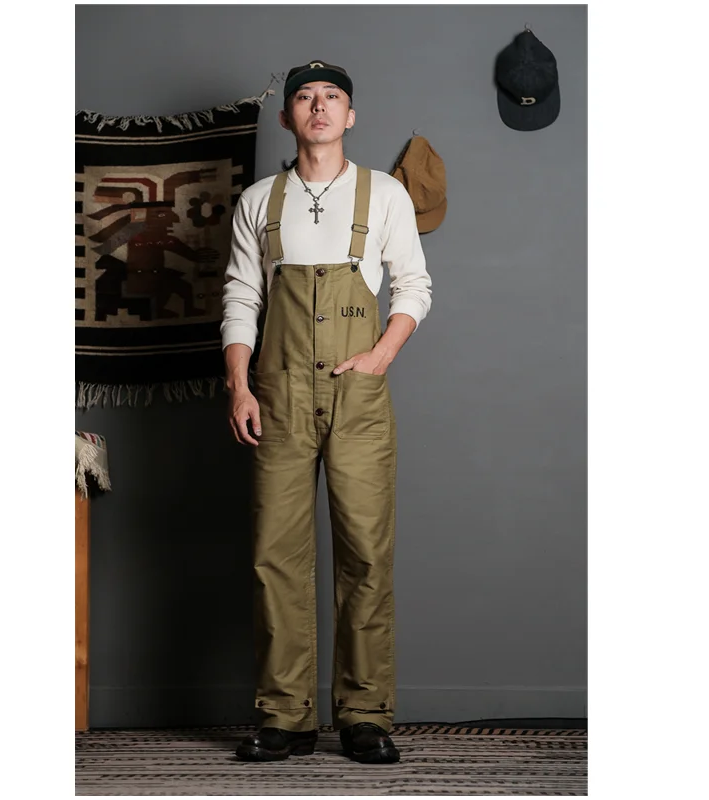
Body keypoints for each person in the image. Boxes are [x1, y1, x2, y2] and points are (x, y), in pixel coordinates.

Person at [220, 60, 432, 764]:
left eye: (332, 97)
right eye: (305, 97)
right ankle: (285, 716)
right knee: (274, 555)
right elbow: (241, 296)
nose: (318, 107)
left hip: (356, 396)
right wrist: (240, 386)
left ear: (350, 116)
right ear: (287, 117)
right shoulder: (259, 201)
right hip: (276, 395)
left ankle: (365, 715)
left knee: (366, 554)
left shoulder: (386, 195)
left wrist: (379, 358)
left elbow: (413, 286)